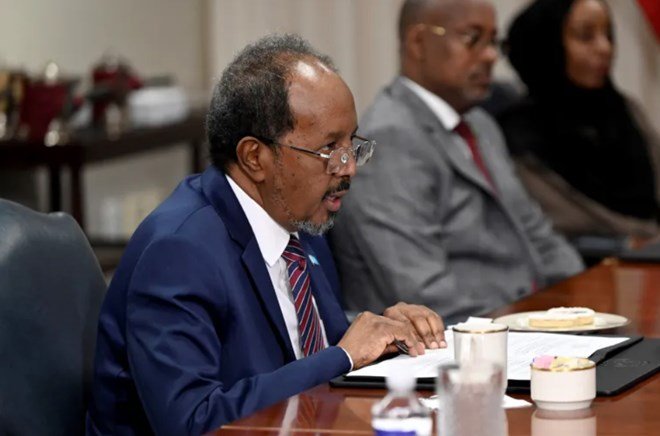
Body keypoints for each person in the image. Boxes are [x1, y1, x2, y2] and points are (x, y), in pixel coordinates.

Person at [86, 34, 446, 435]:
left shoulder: (298, 217)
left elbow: (301, 342)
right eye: (330, 149)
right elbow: (193, 421)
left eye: (352, 144)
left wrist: (383, 336)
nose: (348, 167)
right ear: (254, 157)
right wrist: (345, 355)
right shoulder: (178, 251)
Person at [330, 0, 583, 324]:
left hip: (531, 319)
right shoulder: (390, 139)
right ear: (418, 42)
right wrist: (530, 326)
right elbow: (423, 293)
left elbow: (537, 233)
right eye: (472, 38)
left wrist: (582, 302)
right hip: (464, 339)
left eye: (493, 41)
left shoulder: (480, 124)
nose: (490, 55)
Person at [498, 0, 660, 238]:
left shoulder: (625, 110)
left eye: (608, 35)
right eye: (586, 36)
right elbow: (567, 223)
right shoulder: (517, 135)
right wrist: (643, 239)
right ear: (547, 45)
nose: (605, 48)